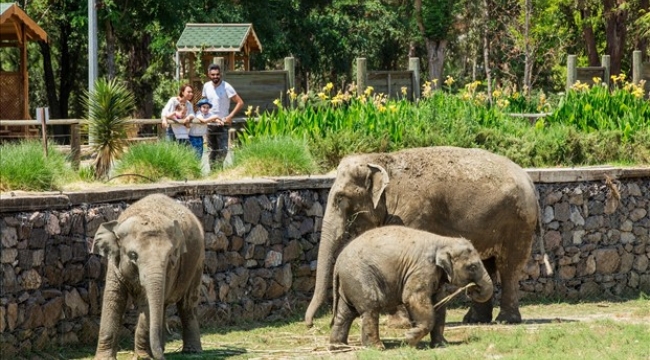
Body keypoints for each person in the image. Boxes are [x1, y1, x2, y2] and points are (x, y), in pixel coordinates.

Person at [202, 64, 244, 167]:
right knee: (212, 150)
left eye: (217, 74)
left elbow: (240, 102)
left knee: (223, 150)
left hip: (223, 123)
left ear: (220, 74)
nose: (215, 76)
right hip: (210, 123)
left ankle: (218, 168)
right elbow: (203, 103)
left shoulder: (226, 86)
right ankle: (213, 172)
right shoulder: (206, 86)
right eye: (213, 75)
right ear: (208, 74)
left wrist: (230, 116)